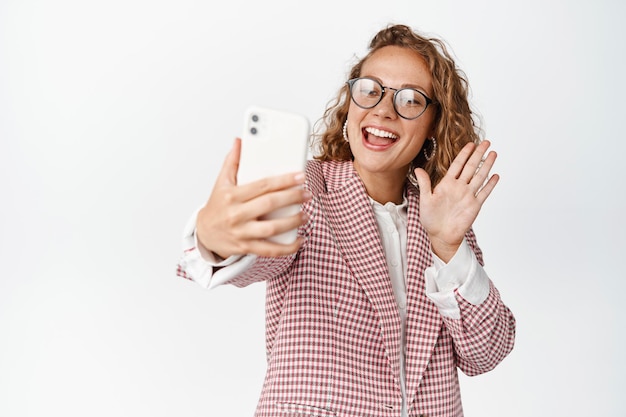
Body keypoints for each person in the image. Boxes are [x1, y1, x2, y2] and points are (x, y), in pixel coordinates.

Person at [177, 23, 515, 417]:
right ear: (350, 106)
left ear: (432, 127)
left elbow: (485, 354)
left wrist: (447, 247)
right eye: (370, 90)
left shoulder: (443, 220)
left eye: (410, 100)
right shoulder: (307, 189)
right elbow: (259, 251)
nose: (383, 110)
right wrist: (215, 239)